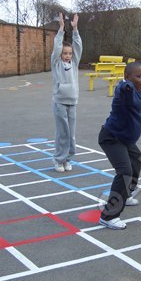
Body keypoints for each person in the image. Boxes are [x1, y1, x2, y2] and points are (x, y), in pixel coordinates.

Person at [98, 62, 141, 230]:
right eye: (138, 77)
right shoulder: (124, 90)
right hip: (111, 138)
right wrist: (126, 87)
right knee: (125, 171)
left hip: (126, 140)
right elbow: (123, 89)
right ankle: (109, 215)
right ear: (127, 77)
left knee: (136, 161)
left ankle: (126, 195)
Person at [51, 12, 82, 173]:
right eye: (65, 53)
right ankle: (59, 160)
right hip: (60, 102)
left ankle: (68, 159)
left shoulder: (74, 63)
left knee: (71, 134)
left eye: (69, 53)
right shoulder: (56, 63)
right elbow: (57, 47)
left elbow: (78, 46)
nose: (67, 55)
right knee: (62, 133)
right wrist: (62, 29)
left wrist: (75, 29)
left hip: (72, 102)